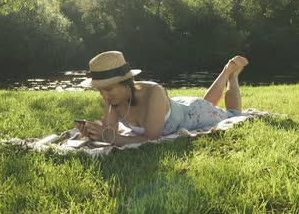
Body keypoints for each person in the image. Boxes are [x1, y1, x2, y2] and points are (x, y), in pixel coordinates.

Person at [77, 51, 248, 146]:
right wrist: (92, 131)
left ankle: (231, 75)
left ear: (126, 82)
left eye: (108, 88)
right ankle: (225, 72)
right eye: (100, 90)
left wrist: (108, 137)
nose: (104, 96)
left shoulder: (154, 92)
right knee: (208, 103)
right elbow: (111, 132)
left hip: (195, 112)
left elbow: (152, 138)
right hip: (178, 109)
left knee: (233, 114)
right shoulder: (113, 98)